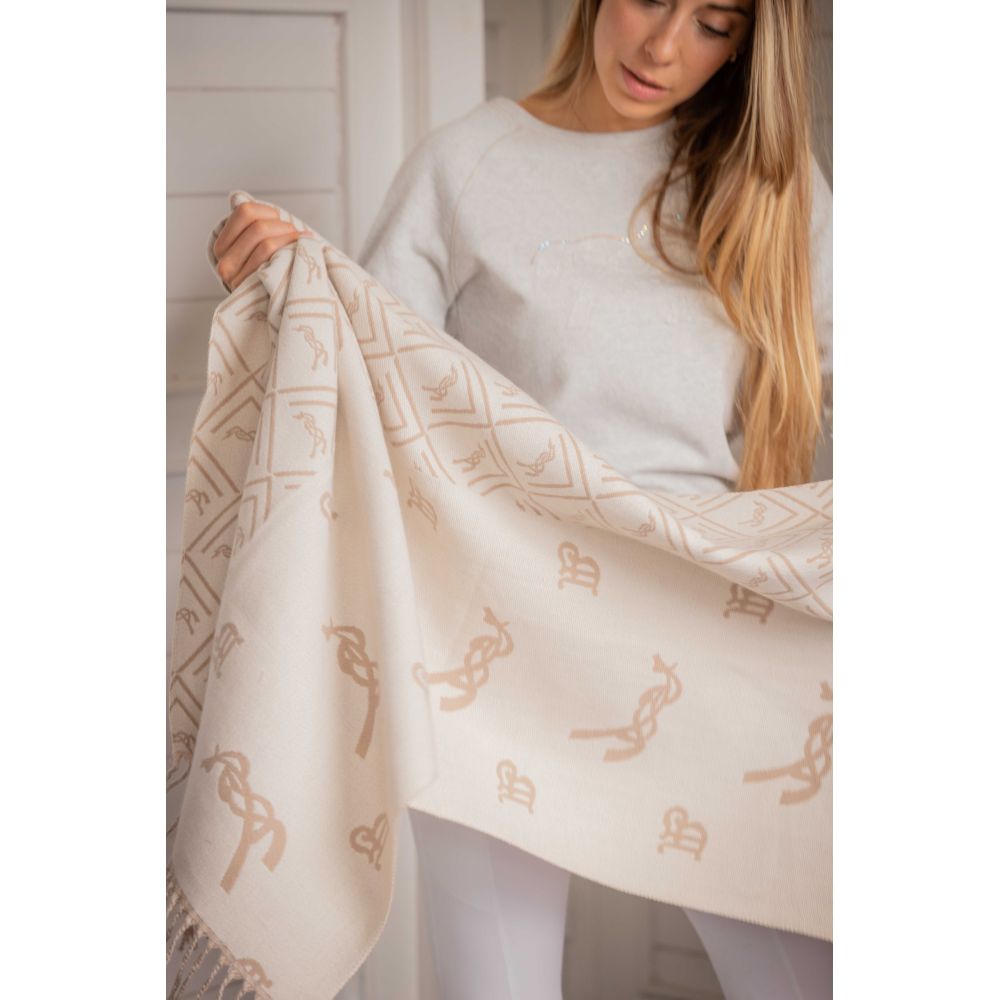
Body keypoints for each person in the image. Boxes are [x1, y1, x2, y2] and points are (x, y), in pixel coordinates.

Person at [211, 1, 833, 996]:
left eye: (714, 23)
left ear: (743, 49)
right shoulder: (465, 164)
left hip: (701, 622)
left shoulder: (767, 182)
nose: (664, 46)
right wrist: (290, 277)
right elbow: (363, 381)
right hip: (492, 636)